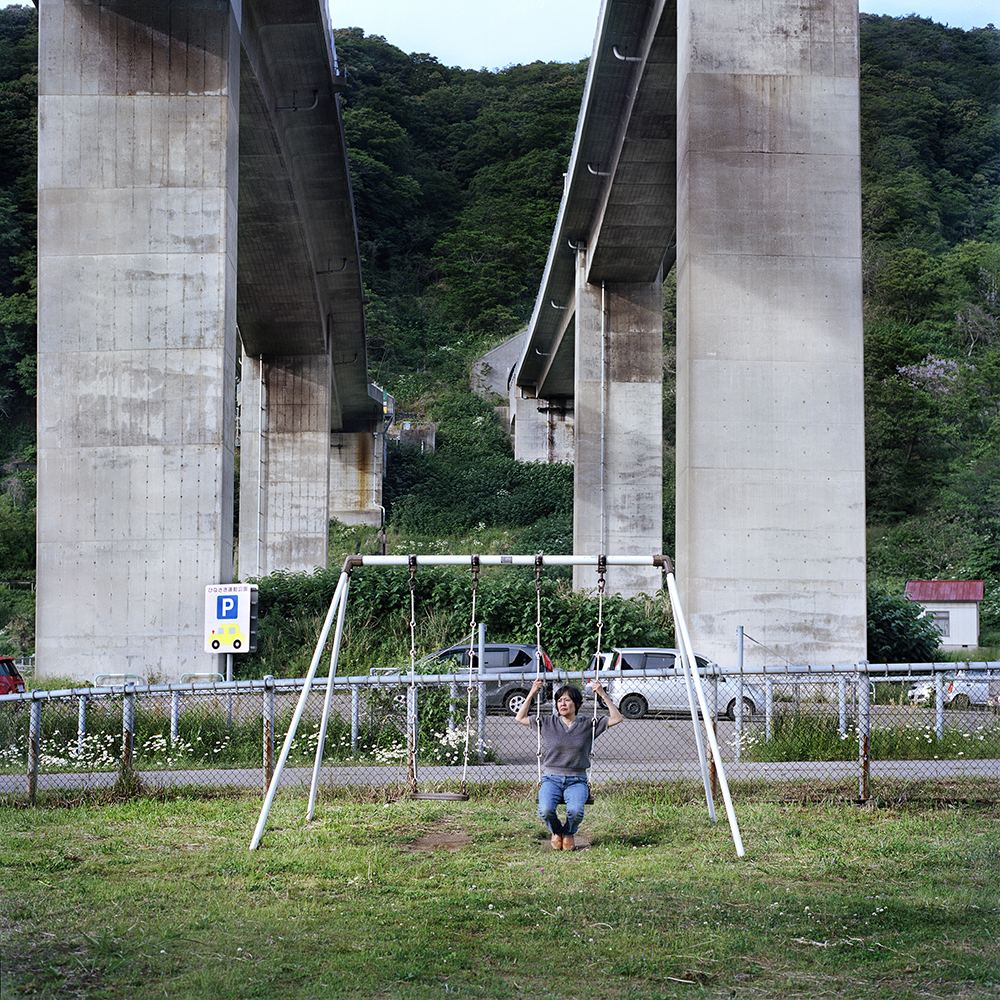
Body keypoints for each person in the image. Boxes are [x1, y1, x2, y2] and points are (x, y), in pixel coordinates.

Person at [515, 676, 623, 850]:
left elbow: (617, 718)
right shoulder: (547, 722)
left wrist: (602, 694)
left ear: (577, 704)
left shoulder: (589, 724)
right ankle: (557, 832)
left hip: (577, 780)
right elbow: (520, 717)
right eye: (559, 700)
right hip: (551, 778)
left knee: (575, 812)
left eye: (567, 699)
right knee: (545, 810)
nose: (562, 703)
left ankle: (569, 832)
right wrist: (532, 692)